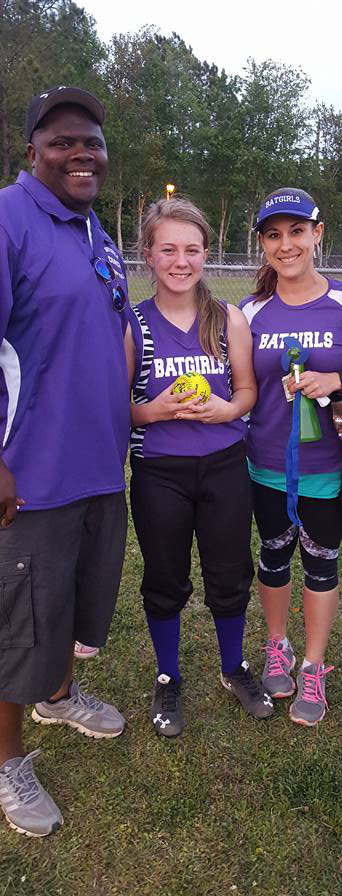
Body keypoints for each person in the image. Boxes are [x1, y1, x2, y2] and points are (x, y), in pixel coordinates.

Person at [0, 86, 130, 837]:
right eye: (63, 141)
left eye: (94, 143)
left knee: (72, 607)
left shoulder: (94, 232)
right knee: (19, 622)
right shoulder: (9, 220)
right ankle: (9, 760)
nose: (82, 153)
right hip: (32, 473)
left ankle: (58, 695)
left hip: (96, 467)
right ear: (31, 152)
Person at [240, 187, 342, 726]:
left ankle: (312, 665)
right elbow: (240, 385)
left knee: (321, 563)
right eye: (274, 235)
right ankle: (277, 645)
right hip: (263, 461)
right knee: (273, 554)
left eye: (297, 232)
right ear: (262, 243)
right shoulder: (251, 310)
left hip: (327, 466)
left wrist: (337, 379)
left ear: (318, 234)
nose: (286, 245)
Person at [125, 197, 273, 739]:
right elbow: (116, 408)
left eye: (191, 249)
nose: (180, 260)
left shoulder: (226, 317)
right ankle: (168, 675)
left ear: (206, 253)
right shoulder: (133, 323)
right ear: (149, 255)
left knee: (230, 573)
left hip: (224, 465)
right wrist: (155, 409)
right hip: (160, 469)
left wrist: (226, 409)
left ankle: (233, 668)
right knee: (165, 576)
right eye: (168, 249)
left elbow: (248, 389)